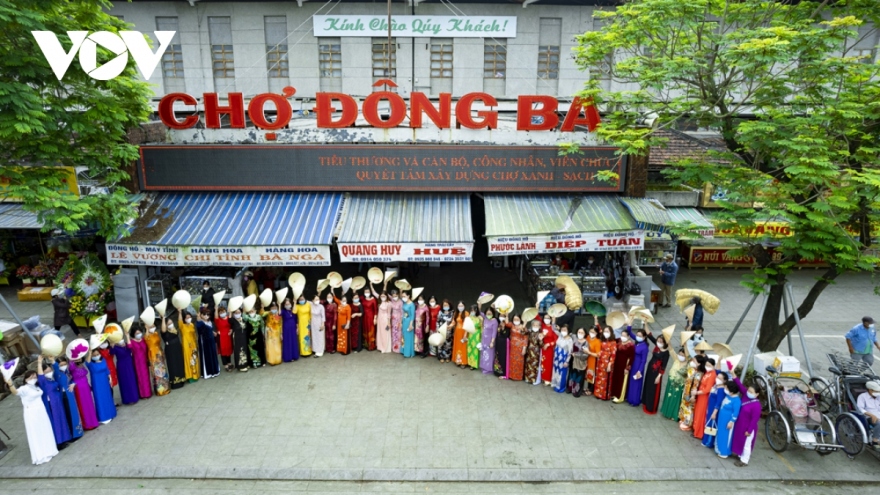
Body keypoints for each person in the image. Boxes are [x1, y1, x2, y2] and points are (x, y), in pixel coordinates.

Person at [5, 370, 58, 465]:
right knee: (36, 432)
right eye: (30, 377)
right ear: (25, 379)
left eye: (34, 377)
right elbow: (16, 392)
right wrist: (10, 384)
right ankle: (41, 455)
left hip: (41, 411)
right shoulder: (24, 388)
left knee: (45, 430)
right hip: (32, 413)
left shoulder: (36, 386)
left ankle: (50, 450)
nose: (33, 379)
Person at [35, 356, 71, 449]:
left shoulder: (51, 379)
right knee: (55, 422)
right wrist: (39, 362)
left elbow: (56, 370)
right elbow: (40, 376)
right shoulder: (43, 382)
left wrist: (52, 361)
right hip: (51, 404)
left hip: (57, 402)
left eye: (50, 371)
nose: (49, 373)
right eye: (46, 372)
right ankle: (58, 442)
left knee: (61, 420)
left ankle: (64, 439)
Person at [731, 376, 762, 466]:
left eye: (751, 392)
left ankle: (744, 460)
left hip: (748, 427)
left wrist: (749, 430)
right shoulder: (745, 395)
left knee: (746, 444)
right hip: (740, 425)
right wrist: (734, 376)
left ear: (757, 394)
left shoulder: (757, 406)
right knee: (739, 440)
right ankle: (740, 454)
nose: (749, 392)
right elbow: (740, 386)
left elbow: (754, 419)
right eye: (748, 390)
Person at [52, 357, 84, 441]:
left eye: (64, 364)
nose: (63, 366)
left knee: (74, 412)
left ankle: (78, 432)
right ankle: (72, 435)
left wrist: (73, 383)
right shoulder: (57, 373)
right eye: (61, 365)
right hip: (64, 395)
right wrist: (52, 360)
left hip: (70, 394)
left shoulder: (66, 372)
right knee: (69, 413)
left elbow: (72, 379)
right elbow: (55, 367)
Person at [641, 331, 670, 414]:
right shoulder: (657, 347)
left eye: (661, 341)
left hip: (656, 372)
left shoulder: (666, 353)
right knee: (648, 385)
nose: (659, 342)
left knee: (653, 389)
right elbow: (649, 335)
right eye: (658, 341)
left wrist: (659, 376)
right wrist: (646, 322)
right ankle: (645, 402)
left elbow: (664, 366)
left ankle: (651, 407)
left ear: (664, 343)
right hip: (650, 369)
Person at [86, 348, 117, 424]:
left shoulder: (103, 360)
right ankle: (103, 416)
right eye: (94, 355)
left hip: (105, 382)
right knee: (100, 398)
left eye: (97, 354)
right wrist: (89, 353)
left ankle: (111, 413)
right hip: (97, 383)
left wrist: (110, 379)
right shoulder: (91, 364)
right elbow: (87, 362)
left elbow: (107, 370)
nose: (96, 356)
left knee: (107, 396)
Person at [69, 357, 99, 430]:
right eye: (76, 358)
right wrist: (72, 360)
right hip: (79, 387)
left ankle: (94, 422)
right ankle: (87, 424)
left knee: (90, 404)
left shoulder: (82, 365)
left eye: (79, 358)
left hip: (86, 386)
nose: (78, 359)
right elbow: (71, 368)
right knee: (83, 405)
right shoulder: (72, 366)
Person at [701, 371, 729, 448]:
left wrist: (714, 413)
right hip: (710, 408)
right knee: (708, 424)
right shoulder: (716, 386)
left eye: (720, 378)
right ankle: (706, 440)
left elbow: (718, 402)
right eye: (717, 377)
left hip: (714, 410)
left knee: (711, 426)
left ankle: (708, 442)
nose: (717, 379)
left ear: (725, 381)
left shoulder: (721, 390)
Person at [143, 317, 170, 395]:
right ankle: (160, 390)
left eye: (153, 326)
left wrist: (162, 352)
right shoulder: (147, 336)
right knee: (157, 373)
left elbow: (159, 343)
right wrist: (147, 328)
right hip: (153, 356)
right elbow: (147, 337)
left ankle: (166, 388)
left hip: (159, 353)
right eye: (151, 327)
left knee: (163, 371)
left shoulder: (156, 333)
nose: (153, 328)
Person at [715, 381, 742, 459]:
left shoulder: (736, 400)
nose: (725, 389)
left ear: (732, 391)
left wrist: (731, 422)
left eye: (726, 388)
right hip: (721, 419)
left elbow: (735, 412)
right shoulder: (728, 395)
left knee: (726, 436)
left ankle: (724, 452)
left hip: (727, 421)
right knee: (720, 433)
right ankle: (719, 449)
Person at [692, 357, 718, 439]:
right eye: (706, 364)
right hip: (701, 394)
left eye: (709, 365)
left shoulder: (712, 375)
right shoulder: (708, 372)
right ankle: (696, 429)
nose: (707, 366)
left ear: (713, 366)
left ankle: (698, 432)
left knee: (701, 413)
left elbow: (707, 389)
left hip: (704, 396)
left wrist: (697, 392)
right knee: (698, 412)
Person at [625, 325, 650, 407]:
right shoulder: (638, 342)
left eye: (640, 336)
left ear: (644, 337)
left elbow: (644, 360)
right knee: (631, 382)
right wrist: (630, 323)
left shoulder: (645, 347)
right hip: (633, 364)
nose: (638, 337)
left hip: (638, 366)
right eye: (637, 335)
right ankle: (629, 398)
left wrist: (640, 370)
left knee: (636, 384)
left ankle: (635, 400)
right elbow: (629, 332)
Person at [679, 355, 706, 431]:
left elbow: (695, 385)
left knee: (689, 408)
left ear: (699, 363)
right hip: (686, 390)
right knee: (684, 405)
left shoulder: (699, 373)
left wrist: (693, 396)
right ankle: (683, 419)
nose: (692, 362)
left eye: (694, 361)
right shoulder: (692, 369)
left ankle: (687, 423)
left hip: (691, 392)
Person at [660, 347, 688, 421]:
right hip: (671, 381)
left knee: (675, 399)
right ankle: (666, 412)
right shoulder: (676, 359)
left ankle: (673, 414)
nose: (680, 356)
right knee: (668, 396)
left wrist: (686, 346)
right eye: (679, 354)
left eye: (682, 355)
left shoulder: (688, 364)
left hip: (679, 384)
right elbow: (671, 349)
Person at [110, 336, 139, 405]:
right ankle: (127, 399)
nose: (121, 340)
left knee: (132, 380)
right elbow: (111, 353)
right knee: (125, 382)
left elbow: (131, 348)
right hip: (121, 365)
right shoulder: (115, 347)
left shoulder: (126, 344)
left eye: (122, 339)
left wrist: (127, 338)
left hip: (130, 364)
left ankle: (135, 397)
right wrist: (112, 346)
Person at [160, 317, 187, 388]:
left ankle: (181, 379)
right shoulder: (164, 332)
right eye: (168, 324)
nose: (171, 324)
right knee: (173, 365)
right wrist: (163, 318)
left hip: (177, 348)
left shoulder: (174, 329)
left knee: (179, 363)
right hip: (170, 350)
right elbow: (163, 329)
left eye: (171, 323)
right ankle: (175, 383)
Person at [128, 326, 153, 399]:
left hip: (145, 361)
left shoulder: (143, 339)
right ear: (133, 334)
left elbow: (148, 338)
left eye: (139, 332)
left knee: (146, 377)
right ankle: (143, 394)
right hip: (137, 362)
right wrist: (126, 335)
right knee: (140, 378)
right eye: (137, 333)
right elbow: (129, 346)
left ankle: (148, 392)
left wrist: (147, 329)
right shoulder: (132, 341)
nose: (138, 334)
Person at [609, 329, 635, 400]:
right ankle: (613, 393)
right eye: (622, 335)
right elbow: (611, 338)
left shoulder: (631, 345)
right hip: (617, 362)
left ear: (628, 336)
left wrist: (627, 368)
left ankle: (619, 396)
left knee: (621, 380)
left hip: (624, 364)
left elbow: (631, 358)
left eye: (624, 336)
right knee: (615, 377)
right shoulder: (619, 341)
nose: (622, 337)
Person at [594, 326, 618, 400]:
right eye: (605, 331)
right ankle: (598, 394)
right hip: (600, 361)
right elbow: (600, 329)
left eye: (607, 331)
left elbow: (613, 354)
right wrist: (596, 321)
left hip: (607, 362)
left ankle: (605, 395)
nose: (605, 333)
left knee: (606, 379)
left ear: (611, 333)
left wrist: (610, 364)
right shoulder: (603, 340)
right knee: (599, 377)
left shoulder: (613, 342)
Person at [856, 381, 880, 450]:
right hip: (868, 416)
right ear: (870, 390)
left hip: (878, 414)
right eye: (876, 391)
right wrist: (871, 415)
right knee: (879, 424)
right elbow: (860, 408)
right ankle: (874, 440)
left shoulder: (878, 396)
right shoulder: (862, 397)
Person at [196, 309, 221, 376]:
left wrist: (214, 333)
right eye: (204, 314)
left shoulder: (211, 322)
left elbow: (211, 329)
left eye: (208, 314)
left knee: (213, 354)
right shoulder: (200, 322)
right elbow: (200, 330)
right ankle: (208, 372)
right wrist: (198, 318)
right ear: (201, 315)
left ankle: (214, 370)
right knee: (206, 355)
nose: (206, 316)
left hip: (211, 340)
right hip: (204, 341)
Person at [178, 310, 200, 381]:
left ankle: (196, 374)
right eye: (187, 318)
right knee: (188, 360)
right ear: (184, 319)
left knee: (195, 359)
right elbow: (180, 321)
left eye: (190, 317)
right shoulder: (182, 326)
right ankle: (190, 376)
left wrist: (196, 344)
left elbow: (194, 335)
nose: (189, 319)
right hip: (186, 346)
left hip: (193, 345)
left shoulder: (192, 325)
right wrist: (179, 313)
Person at [551, 325, 573, 393]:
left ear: (568, 331)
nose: (563, 331)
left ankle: (561, 387)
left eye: (565, 330)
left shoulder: (570, 340)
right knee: (556, 371)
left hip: (563, 358)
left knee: (562, 373)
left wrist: (567, 361)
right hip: (556, 357)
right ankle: (556, 385)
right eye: (562, 330)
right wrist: (554, 320)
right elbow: (553, 329)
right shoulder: (560, 335)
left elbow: (570, 352)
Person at [568, 327, 588, 396]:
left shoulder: (586, 343)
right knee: (571, 375)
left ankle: (577, 391)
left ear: (585, 334)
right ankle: (570, 388)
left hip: (580, 363)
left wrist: (576, 355)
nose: (580, 334)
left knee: (579, 377)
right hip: (573, 361)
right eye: (579, 332)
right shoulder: (574, 339)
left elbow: (585, 355)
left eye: (582, 332)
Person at [584, 319, 602, 396]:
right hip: (586, 358)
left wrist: (589, 352)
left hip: (592, 359)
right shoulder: (587, 337)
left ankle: (591, 389)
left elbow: (598, 354)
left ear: (596, 333)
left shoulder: (597, 341)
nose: (592, 333)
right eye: (591, 331)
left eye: (593, 332)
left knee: (591, 373)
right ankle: (587, 387)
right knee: (587, 372)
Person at [524, 318, 544, 385]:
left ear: (539, 326)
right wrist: (525, 323)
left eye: (536, 325)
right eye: (534, 325)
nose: (535, 326)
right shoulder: (530, 332)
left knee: (534, 366)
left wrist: (541, 339)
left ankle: (534, 380)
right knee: (528, 364)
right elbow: (523, 332)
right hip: (529, 351)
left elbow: (541, 345)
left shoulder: (540, 334)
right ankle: (527, 378)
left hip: (535, 353)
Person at [507, 315, 527, 381]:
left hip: (520, 347)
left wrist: (524, 348)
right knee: (512, 361)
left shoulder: (523, 327)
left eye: (517, 319)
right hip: (512, 347)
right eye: (514, 319)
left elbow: (525, 338)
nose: (516, 321)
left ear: (520, 319)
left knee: (519, 362)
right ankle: (511, 375)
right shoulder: (512, 325)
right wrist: (507, 315)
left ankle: (518, 376)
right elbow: (506, 323)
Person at [214, 304, 234, 371]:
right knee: (223, 351)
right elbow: (216, 316)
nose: (222, 313)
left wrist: (230, 311)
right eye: (221, 312)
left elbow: (231, 323)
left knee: (229, 349)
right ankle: (225, 365)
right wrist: (216, 309)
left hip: (228, 336)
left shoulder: (228, 318)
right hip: (221, 337)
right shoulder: (218, 320)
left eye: (223, 311)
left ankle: (229, 363)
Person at [540, 315, 558, 385]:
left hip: (549, 348)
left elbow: (556, 339)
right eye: (545, 318)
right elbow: (537, 317)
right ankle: (542, 377)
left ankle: (548, 378)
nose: (546, 319)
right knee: (542, 362)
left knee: (548, 363)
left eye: (548, 318)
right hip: (542, 346)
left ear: (550, 319)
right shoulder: (542, 326)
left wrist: (549, 344)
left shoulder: (553, 327)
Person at [279, 299, 299, 364]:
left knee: (293, 341)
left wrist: (295, 303)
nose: (288, 305)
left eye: (289, 304)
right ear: (284, 305)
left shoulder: (293, 310)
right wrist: (279, 305)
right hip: (286, 328)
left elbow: (296, 319)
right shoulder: (283, 311)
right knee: (287, 342)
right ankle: (288, 357)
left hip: (293, 328)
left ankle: (294, 356)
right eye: (286, 304)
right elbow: (279, 314)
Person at [479, 307, 498, 374]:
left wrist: (492, 342)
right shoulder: (486, 318)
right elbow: (479, 312)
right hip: (484, 340)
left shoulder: (494, 321)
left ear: (493, 313)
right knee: (484, 354)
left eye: (490, 313)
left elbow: (494, 332)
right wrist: (480, 305)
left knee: (489, 355)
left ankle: (489, 369)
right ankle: (484, 367)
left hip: (490, 341)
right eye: (487, 313)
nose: (488, 314)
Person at [452, 302, 469, 367]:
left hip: (464, 332)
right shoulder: (456, 313)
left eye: (462, 305)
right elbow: (453, 322)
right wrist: (449, 326)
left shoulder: (466, 313)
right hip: (457, 332)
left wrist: (465, 334)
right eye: (459, 305)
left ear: (464, 306)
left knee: (463, 346)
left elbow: (468, 324)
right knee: (457, 346)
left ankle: (463, 362)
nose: (460, 307)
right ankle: (457, 360)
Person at [467, 304, 483, 369]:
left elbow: (482, 327)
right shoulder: (470, 317)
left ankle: (474, 364)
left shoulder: (480, 317)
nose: (472, 311)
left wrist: (482, 335)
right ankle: (469, 362)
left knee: (475, 348)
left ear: (476, 310)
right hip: (470, 334)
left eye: (474, 310)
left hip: (477, 334)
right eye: (471, 310)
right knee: (469, 347)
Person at [493, 313, 509, 378]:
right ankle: (497, 371)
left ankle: (503, 373)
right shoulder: (497, 323)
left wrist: (503, 327)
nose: (501, 317)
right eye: (500, 316)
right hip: (497, 343)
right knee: (497, 356)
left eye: (503, 316)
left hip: (503, 344)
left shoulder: (507, 325)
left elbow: (505, 335)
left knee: (503, 357)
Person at [400, 292, 415, 358]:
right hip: (404, 320)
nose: (403, 297)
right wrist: (401, 322)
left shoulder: (412, 304)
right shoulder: (405, 303)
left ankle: (408, 352)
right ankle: (403, 350)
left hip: (409, 321)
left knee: (408, 337)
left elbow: (412, 316)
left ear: (408, 296)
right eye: (402, 296)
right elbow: (403, 313)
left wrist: (411, 324)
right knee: (404, 336)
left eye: (404, 296)